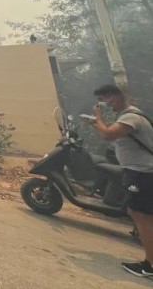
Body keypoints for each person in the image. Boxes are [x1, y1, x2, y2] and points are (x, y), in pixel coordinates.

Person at [90, 84, 153, 278]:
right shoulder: (127, 117)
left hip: (141, 173)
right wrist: (96, 123)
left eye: (103, 99)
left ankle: (150, 266)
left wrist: (98, 119)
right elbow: (108, 135)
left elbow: (108, 133)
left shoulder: (131, 117)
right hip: (138, 172)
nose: (103, 104)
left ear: (114, 97)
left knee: (142, 216)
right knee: (139, 214)